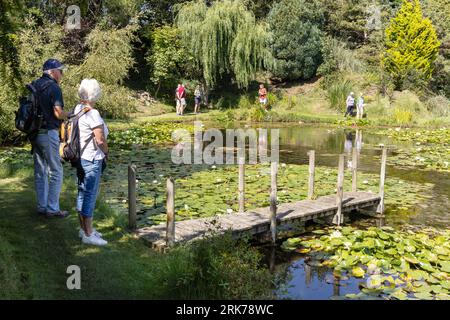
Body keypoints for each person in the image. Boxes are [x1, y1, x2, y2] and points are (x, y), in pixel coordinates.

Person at [32, 59, 70, 217]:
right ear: (52, 71)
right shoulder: (54, 87)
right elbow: (58, 113)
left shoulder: (35, 84)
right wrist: (72, 114)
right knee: (56, 170)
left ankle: (42, 206)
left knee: (40, 171)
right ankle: (53, 209)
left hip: (34, 133)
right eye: (60, 71)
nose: (62, 74)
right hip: (48, 133)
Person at [74, 79, 109, 246]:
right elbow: (100, 140)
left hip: (80, 158)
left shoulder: (78, 108)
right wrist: (107, 153)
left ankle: (84, 229)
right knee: (89, 195)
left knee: (82, 192)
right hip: (92, 159)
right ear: (95, 94)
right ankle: (88, 234)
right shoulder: (92, 113)